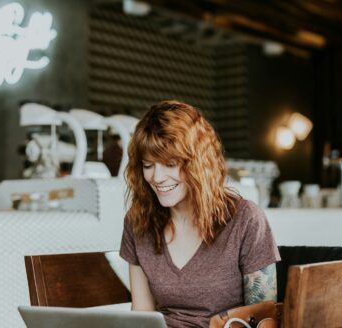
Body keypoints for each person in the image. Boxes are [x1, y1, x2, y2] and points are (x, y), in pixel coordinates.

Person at [119, 100, 280, 327]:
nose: (157, 177)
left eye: (170, 164)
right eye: (148, 165)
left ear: (198, 163)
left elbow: (264, 320)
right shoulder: (137, 222)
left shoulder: (246, 219)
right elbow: (143, 317)